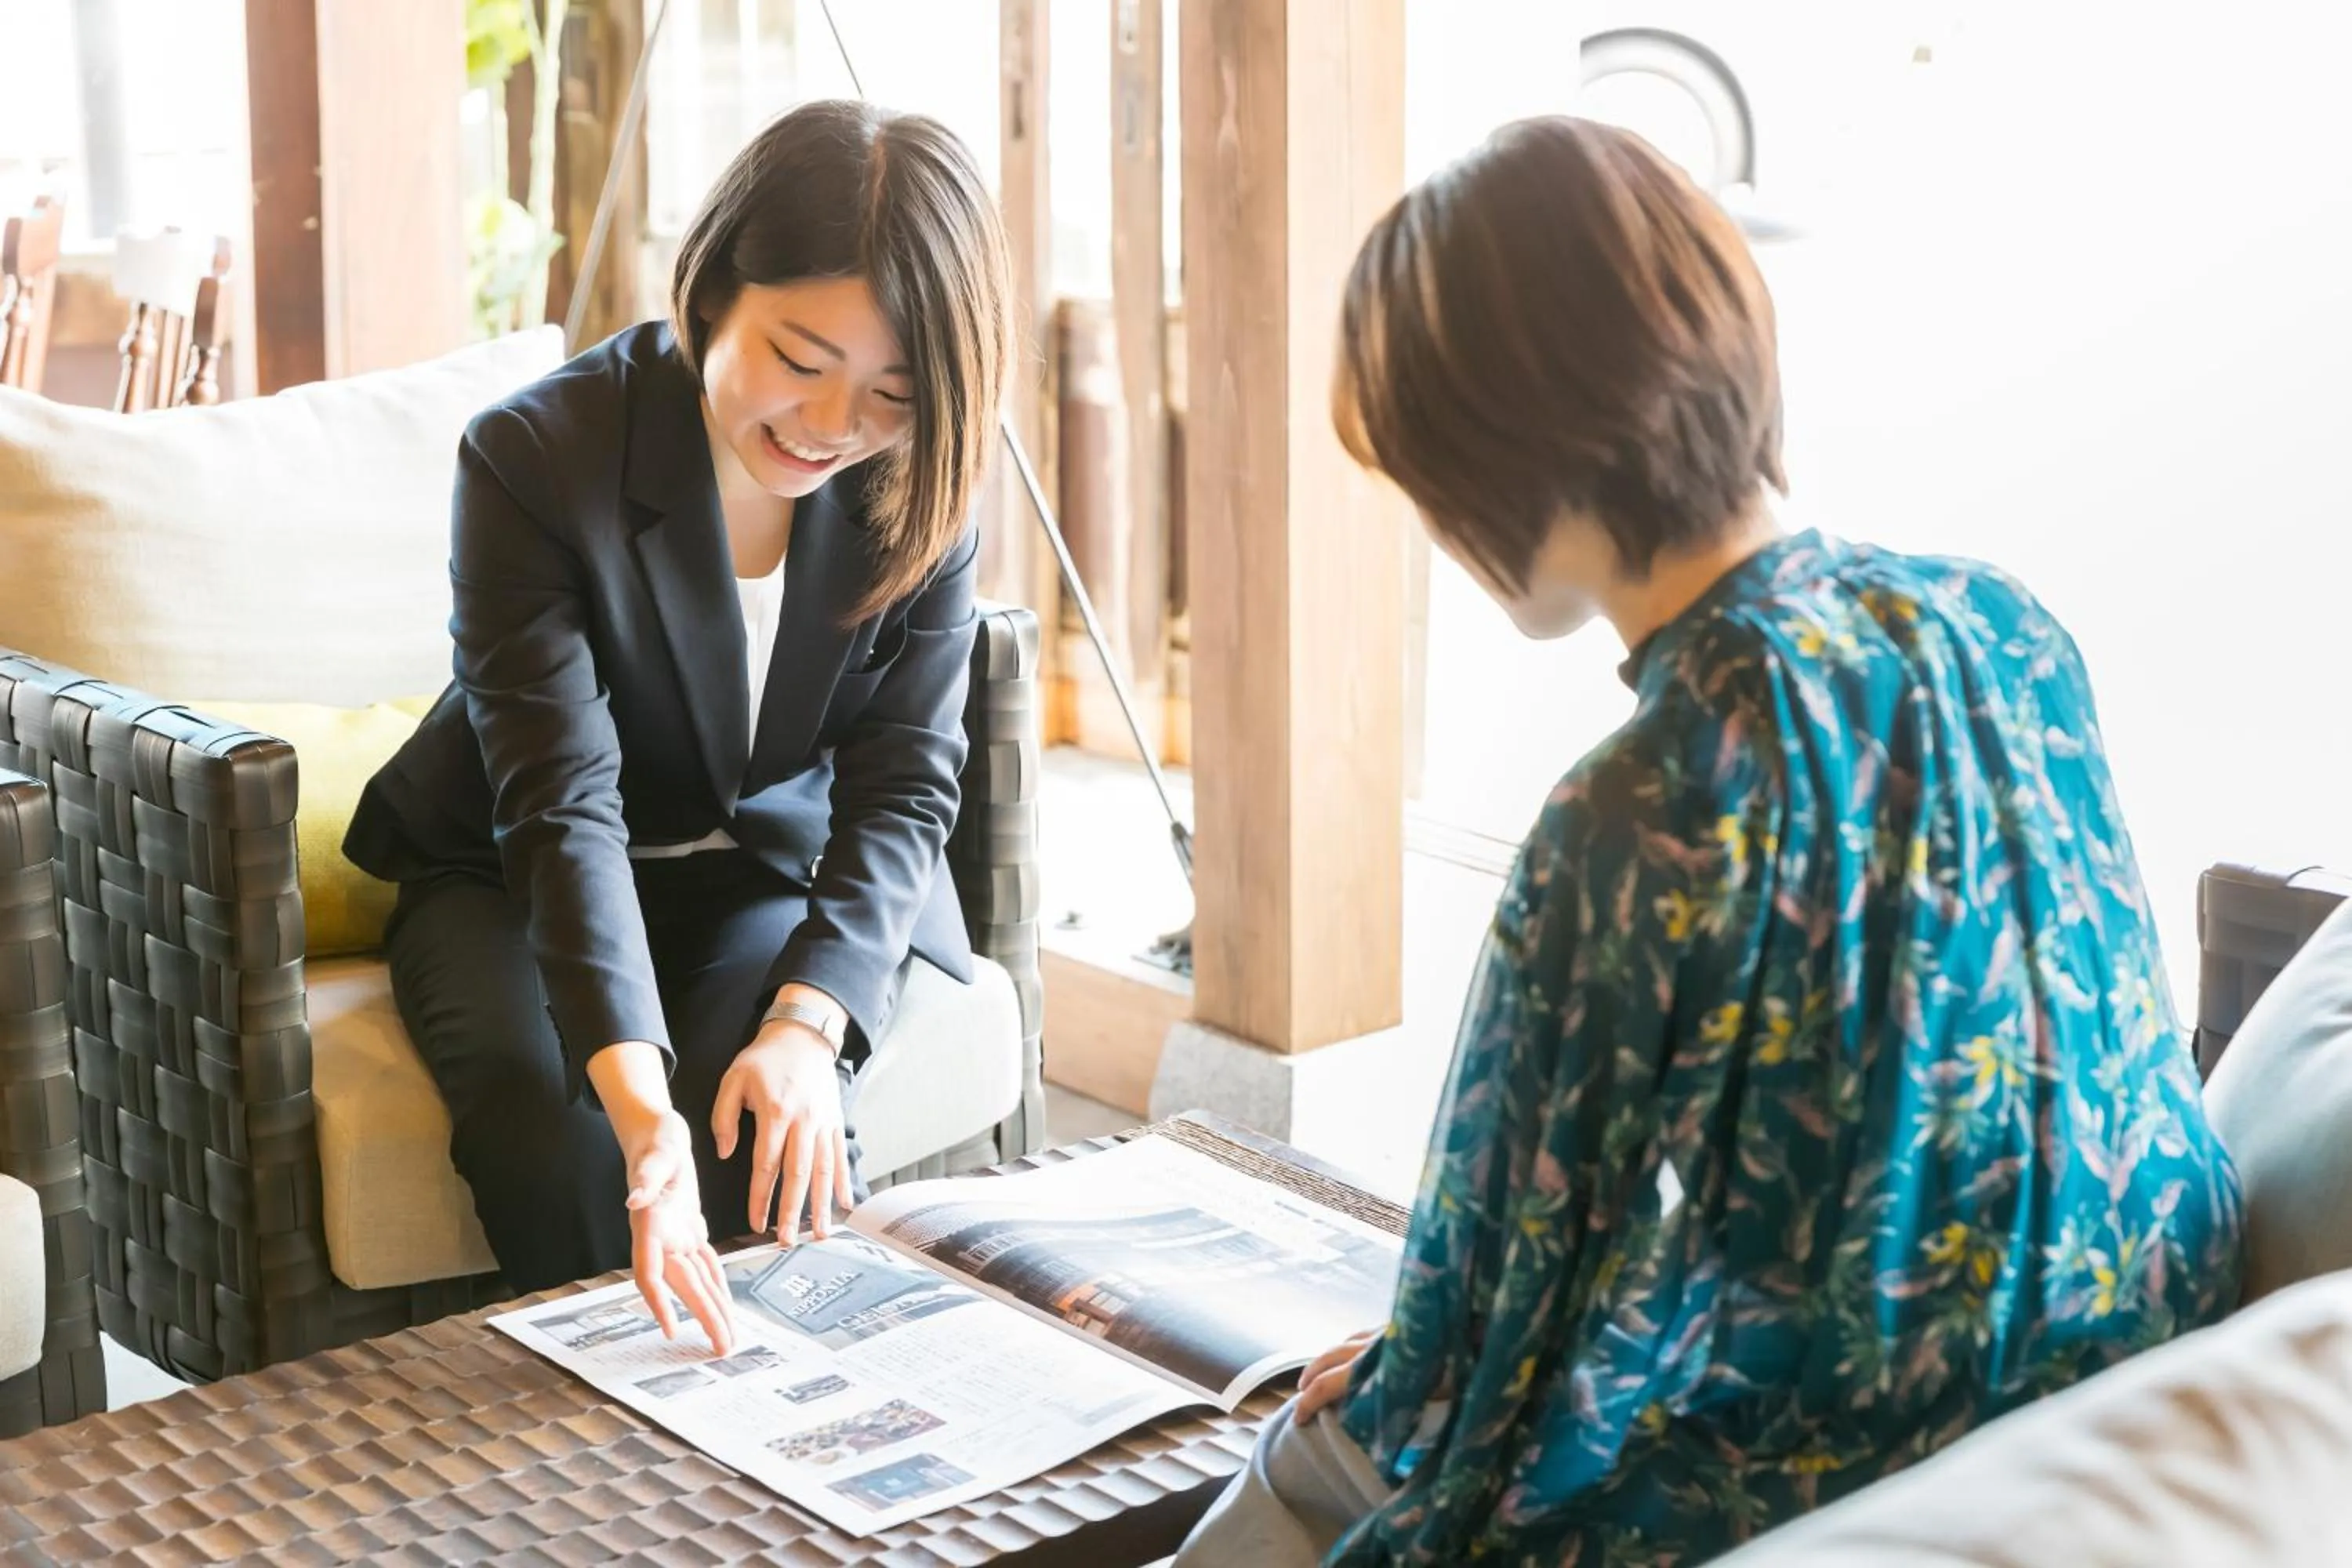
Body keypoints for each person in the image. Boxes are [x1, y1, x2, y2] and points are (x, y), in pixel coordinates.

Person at [1174, 115, 2244, 1566]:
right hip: (2124, 1390)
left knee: (1303, 1470)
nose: (1433, 522)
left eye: (1426, 474)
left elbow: (1487, 1306)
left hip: (1855, 1477)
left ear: (1508, 454)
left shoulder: (1636, 818)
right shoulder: (2007, 623)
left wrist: (1417, 1372)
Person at [344, 100, 1013, 1352]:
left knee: (766, 1122)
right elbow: (559, 802)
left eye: (889, 393)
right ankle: (612, 1468)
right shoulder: (535, 459)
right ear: (714, 290)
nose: (830, 425)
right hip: (505, 869)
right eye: (801, 360)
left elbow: (909, 780)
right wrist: (644, 1127)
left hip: (757, 866)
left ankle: (797, 1444)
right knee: (558, 1138)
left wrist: (810, 1026)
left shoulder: (921, 479)